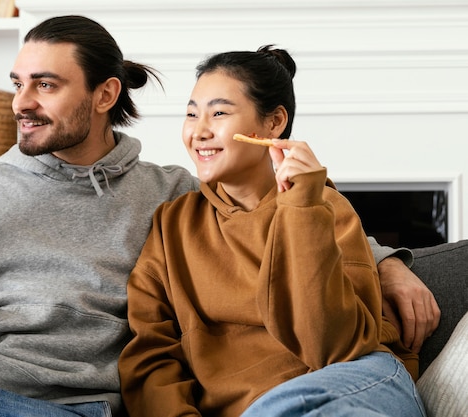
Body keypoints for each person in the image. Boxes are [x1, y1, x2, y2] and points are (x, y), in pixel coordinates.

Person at [0, 14, 435, 417]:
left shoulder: (172, 197)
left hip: (47, 404)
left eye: (45, 85)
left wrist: (389, 262)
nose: (22, 102)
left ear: (104, 96)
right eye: (19, 83)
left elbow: (288, 218)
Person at [118, 46, 426, 416]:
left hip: (355, 381)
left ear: (274, 123)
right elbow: (151, 354)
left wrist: (302, 207)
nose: (199, 131)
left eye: (218, 113)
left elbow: (334, 348)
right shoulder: (173, 225)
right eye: (190, 114)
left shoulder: (324, 208)